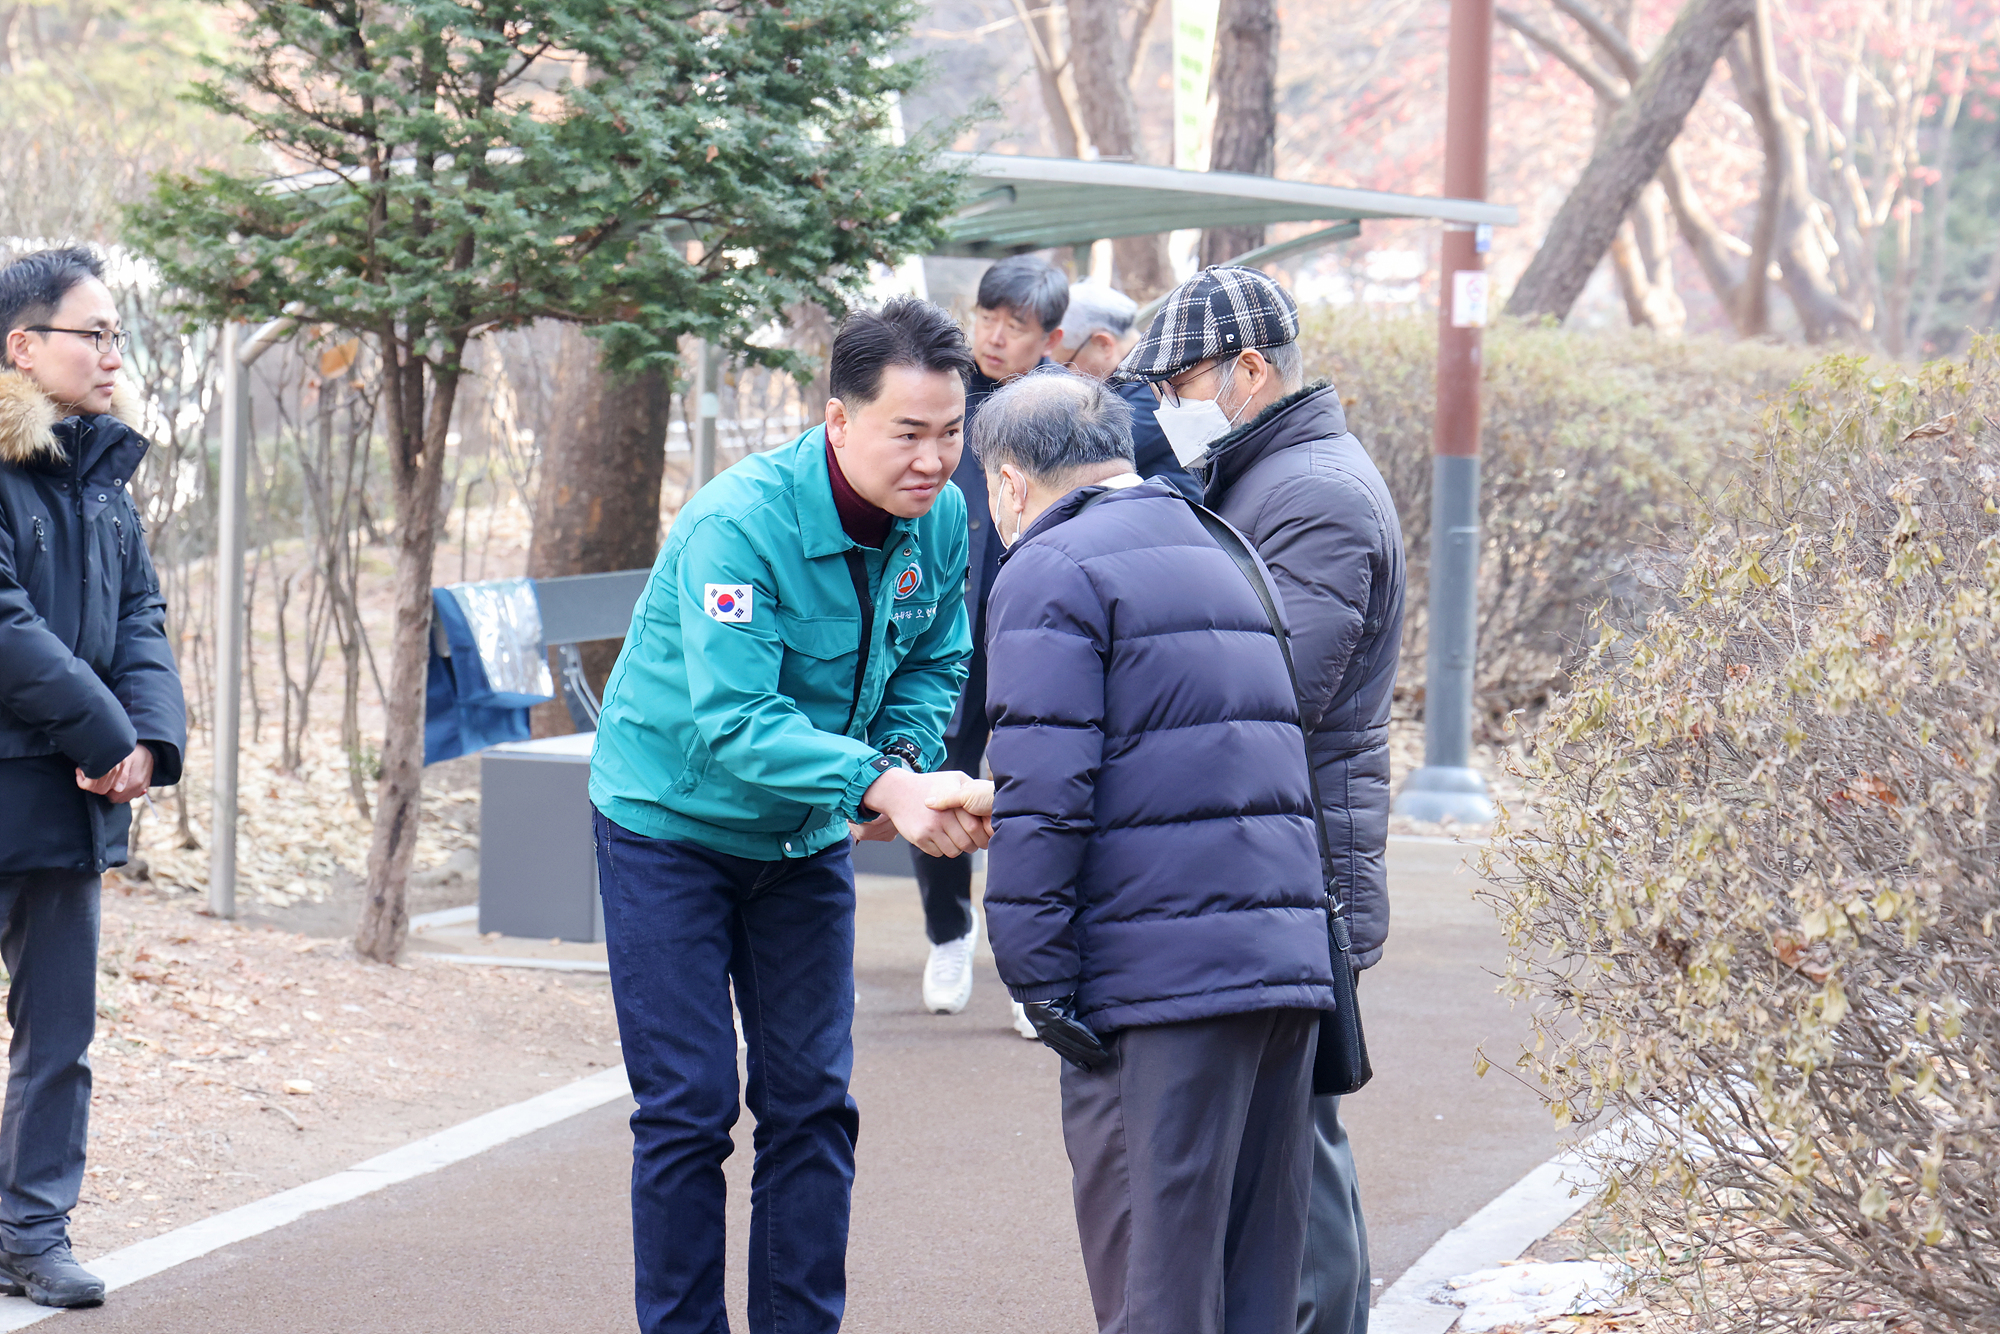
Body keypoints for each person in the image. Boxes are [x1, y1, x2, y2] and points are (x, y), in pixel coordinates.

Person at [588, 297, 987, 1334]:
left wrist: (895, 763)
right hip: (669, 823)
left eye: (951, 431)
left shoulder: (941, 520)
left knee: (812, 1102)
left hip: (803, 838)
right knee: (687, 1106)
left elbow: (935, 657)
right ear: (838, 419)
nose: (933, 459)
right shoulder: (740, 523)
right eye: (908, 431)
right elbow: (733, 718)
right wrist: (881, 785)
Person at [969, 369, 1338, 1334]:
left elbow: (1046, 791)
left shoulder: (1050, 569)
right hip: (1278, 968)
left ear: (1009, 482)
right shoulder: (1224, 544)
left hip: (1156, 981)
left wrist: (1036, 977)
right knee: (1257, 1283)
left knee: (1155, 1291)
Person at [1115, 265, 1407, 1334]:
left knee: (1299, 1152)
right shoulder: (1267, 476)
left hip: (1298, 872)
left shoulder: (1312, 492)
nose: (1164, 407)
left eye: (1178, 381)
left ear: (1248, 368)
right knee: (1283, 1147)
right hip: (1275, 865)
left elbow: (1266, 687)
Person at [0, 246, 186, 1309]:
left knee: (59, 1036)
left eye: (118, 334)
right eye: (95, 333)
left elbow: (139, 618)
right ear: (23, 345)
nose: (113, 353)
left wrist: (146, 744)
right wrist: (104, 731)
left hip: (69, 795)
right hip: (34, 769)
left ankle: (31, 1231)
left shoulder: (105, 478)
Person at [913, 254, 1067, 1027]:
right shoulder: (941, 386)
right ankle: (948, 932)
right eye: (988, 318)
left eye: (1017, 326)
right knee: (936, 773)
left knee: (1032, 786)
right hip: (943, 623)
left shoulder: (1066, 408)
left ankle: (1028, 965)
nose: (996, 337)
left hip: (1036, 625)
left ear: (1052, 337)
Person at [1050, 280, 1199, 502]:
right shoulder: (1140, 379)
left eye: (1066, 365)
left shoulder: (1155, 390)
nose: (1067, 376)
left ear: (1103, 344)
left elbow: (1079, 462)